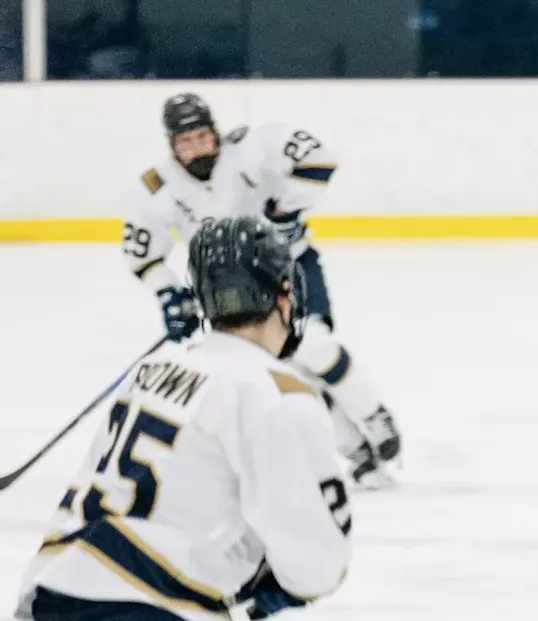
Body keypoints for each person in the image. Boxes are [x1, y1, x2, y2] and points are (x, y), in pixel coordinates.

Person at [15, 217, 354, 621]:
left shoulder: (163, 367)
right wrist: (278, 580)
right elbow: (315, 566)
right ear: (284, 294)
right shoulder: (277, 394)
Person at [122, 92, 401, 485]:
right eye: (185, 141)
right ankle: (354, 448)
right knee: (281, 373)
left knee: (314, 345)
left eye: (202, 136)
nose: (197, 147)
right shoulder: (155, 188)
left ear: (216, 133)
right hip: (223, 291)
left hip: (287, 267)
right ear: (171, 145)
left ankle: (374, 416)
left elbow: (320, 159)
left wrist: (286, 210)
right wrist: (170, 295)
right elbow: (142, 252)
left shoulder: (252, 150)